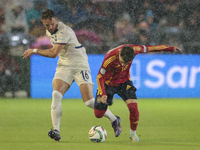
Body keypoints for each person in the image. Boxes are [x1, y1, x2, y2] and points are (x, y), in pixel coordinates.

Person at [22, 9, 117, 142]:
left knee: (89, 102)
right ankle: (56, 130)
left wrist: (35, 50)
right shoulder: (49, 31)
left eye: (51, 24)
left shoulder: (64, 31)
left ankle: (114, 119)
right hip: (64, 65)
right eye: (46, 25)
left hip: (79, 64)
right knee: (56, 94)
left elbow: (54, 53)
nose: (50, 27)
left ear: (55, 20)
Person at [94, 44, 182, 142]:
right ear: (119, 55)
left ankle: (133, 134)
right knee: (98, 114)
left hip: (124, 83)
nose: (123, 65)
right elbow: (99, 77)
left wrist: (170, 48)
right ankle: (115, 119)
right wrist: (103, 93)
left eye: (126, 63)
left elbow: (151, 48)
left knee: (133, 108)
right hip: (108, 84)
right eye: (122, 62)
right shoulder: (109, 58)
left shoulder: (135, 49)